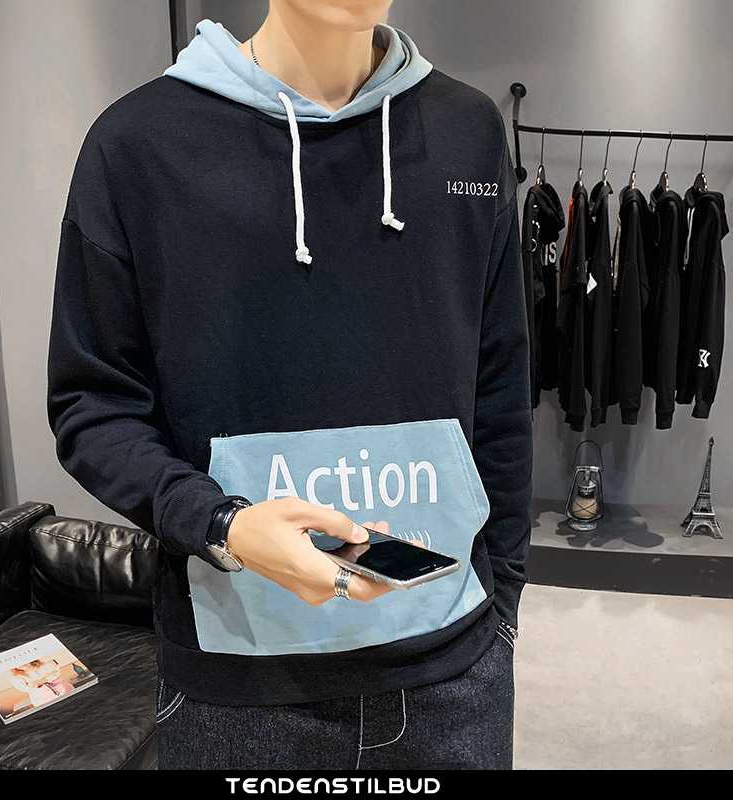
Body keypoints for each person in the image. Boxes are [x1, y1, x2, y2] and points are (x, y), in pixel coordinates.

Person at [47, 0, 531, 770]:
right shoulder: (136, 146)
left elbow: (501, 387)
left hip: (454, 671)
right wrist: (223, 524)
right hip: (237, 688)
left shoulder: (469, 131)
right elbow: (92, 406)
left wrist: (504, 607)